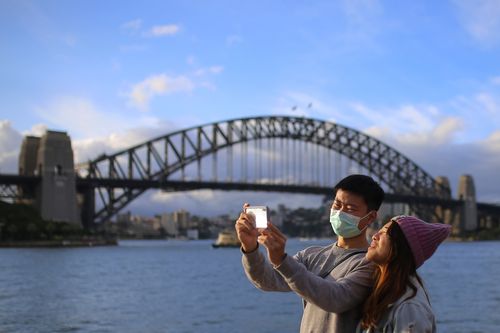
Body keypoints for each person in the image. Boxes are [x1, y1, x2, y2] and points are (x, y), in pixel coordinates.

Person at [235, 174, 385, 332]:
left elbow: (335, 298)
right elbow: (267, 280)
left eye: (350, 209)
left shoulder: (370, 264)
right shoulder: (311, 255)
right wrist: (250, 248)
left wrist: (282, 261)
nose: (340, 212)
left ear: (371, 217)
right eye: (337, 204)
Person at [358, 215, 452, 332]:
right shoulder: (379, 288)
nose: (374, 236)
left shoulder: (410, 308)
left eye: (384, 233)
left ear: (400, 247)